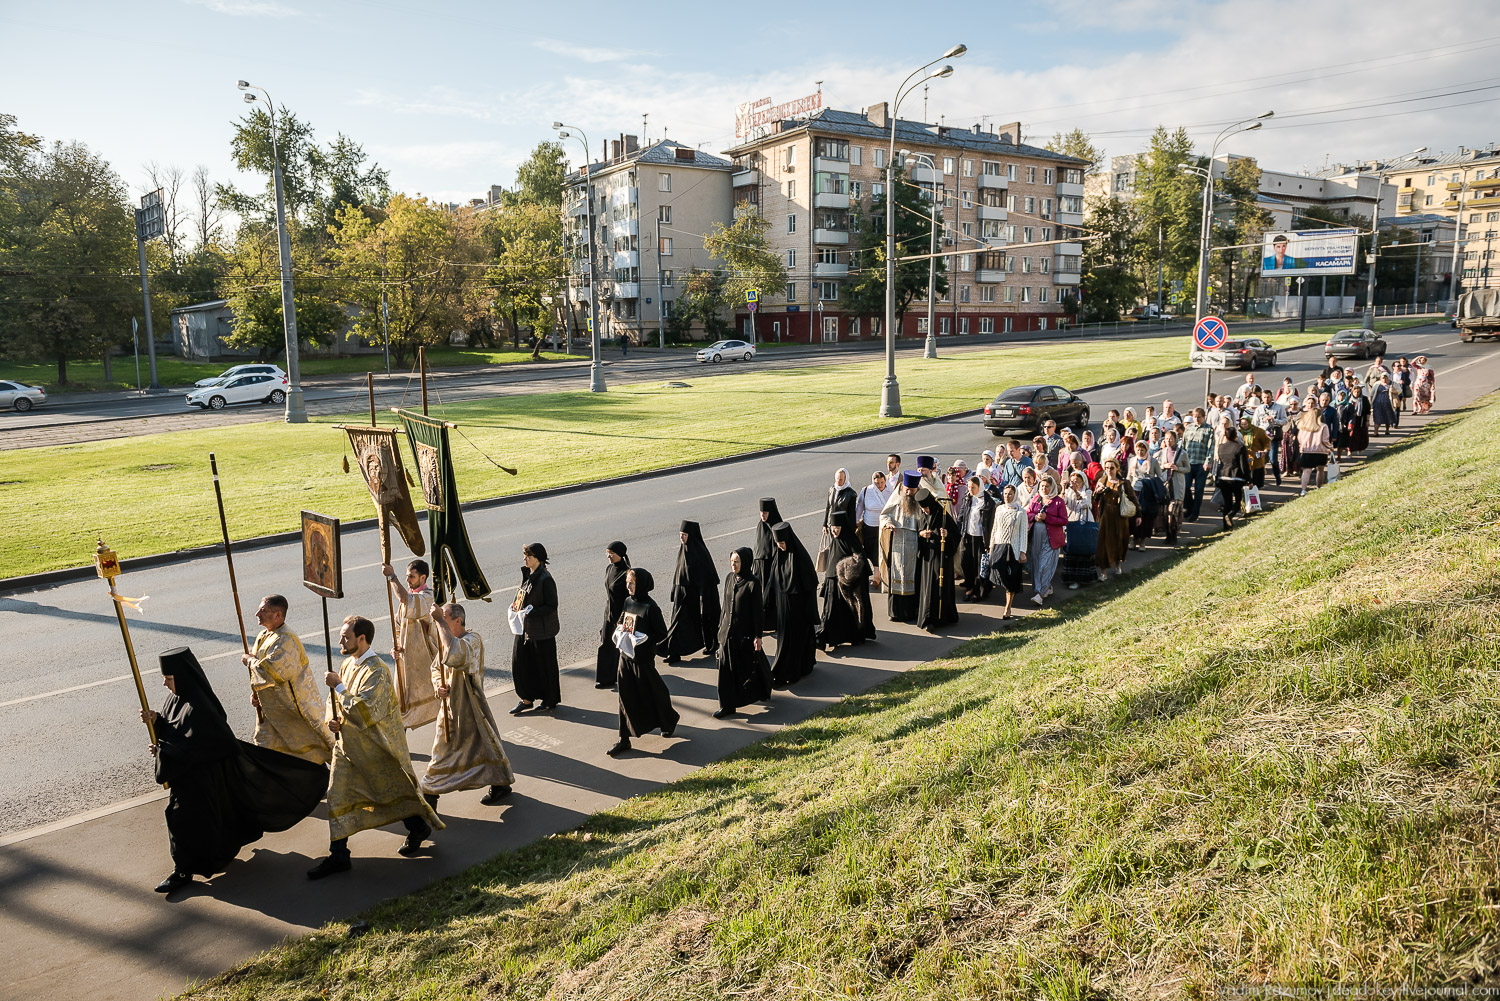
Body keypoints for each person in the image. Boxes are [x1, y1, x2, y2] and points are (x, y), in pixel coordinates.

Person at [142, 647, 328, 895]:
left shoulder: (200, 707)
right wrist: (158, 722)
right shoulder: (177, 699)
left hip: (203, 783)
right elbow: (178, 733)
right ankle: (188, 866)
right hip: (187, 781)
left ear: (182, 677)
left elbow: (201, 746)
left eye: (169, 678)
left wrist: (165, 751)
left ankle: (183, 871)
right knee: (196, 824)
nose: (164, 684)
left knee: (183, 822)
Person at [308, 615, 444, 879]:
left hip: (376, 749)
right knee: (337, 796)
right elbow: (333, 703)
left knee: (389, 792)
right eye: (340, 635)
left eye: (346, 637)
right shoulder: (347, 664)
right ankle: (339, 856)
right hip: (347, 748)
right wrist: (333, 720)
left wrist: (338, 687)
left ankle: (417, 827)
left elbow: (365, 712)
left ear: (362, 639)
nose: (340, 640)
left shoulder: (378, 671)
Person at [419, 602, 514, 811]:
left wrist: (439, 622)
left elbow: (456, 656)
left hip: (470, 706)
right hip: (450, 708)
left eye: (445, 619)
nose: (439, 623)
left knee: (484, 744)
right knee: (442, 751)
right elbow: (436, 667)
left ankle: (499, 783)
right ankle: (429, 797)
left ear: (458, 620)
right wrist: (438, 686)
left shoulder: (473, 640)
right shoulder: (446, 639)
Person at [241, 594, 333, 765]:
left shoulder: (285, 640)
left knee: (305, 750)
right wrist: (256, 694)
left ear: (278, 615)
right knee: (268, 750)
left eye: (263, 611)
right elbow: (259, 674)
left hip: (292, 708)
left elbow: (271, 672)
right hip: (271, 709)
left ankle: (315, 780)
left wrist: (250, 661)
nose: (257, 614)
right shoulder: (264, 635)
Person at [608, 568, 679, 756]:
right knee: (624, 695)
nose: (628, 587)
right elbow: (622, 620)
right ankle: (624, 739)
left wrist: (644, 638)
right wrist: (620, 627)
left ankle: (668, 719)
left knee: (654, 691)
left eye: (631, 583)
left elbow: (662, 634)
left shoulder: (651, 608)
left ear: (641, 584)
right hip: (625, 657)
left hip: (643, 659)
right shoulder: (627, 601)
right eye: (627, 583)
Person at [382, 558, 440, 730]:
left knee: (438, 697)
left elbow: (405, 600)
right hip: (407, 658)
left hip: (426, 659)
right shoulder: (410, 596)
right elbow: (399, 625)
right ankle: (399, 740)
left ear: (423, 578)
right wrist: (397, 647)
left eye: (411, 577)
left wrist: (392, 576)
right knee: (402, 701)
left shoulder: (428, 596)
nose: (407, 580)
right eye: (406, 576)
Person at [714, 549, 772, 718]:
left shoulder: (753, 583)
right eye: (732, 561)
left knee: (750, 666)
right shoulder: (729, 578)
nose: (733, 564)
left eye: (737, 561)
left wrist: (758, 636)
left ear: (745, 562)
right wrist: (720, 627)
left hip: (744, 636)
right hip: (727, 634)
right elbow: (725, 605)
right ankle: (727, 705)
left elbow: (757, 613)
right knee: (725, 671)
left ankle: (764, 687)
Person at [508, 542, 561, 715]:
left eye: (528, 556)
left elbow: (552, 605)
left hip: (542, 631)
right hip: (525, 628)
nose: (525, 558)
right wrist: (516, 607)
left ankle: (549, 699)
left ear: (537, 558)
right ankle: (527, 699)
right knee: (521, 664)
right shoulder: (528, 574)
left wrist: (532, 612)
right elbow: (523, 596)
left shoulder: (545, 579)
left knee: (545, 667)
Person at [769, 521, 819, 684]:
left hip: (799, 611)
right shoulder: (778, 556)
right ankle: (786, 671)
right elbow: (773, 582)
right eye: (777, 544)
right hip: (783, 609)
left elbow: (809, 585)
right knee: (785, 643)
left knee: (796, 642)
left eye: (782, 543)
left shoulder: (800, 558)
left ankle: (792, 673)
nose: (780, 547)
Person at [664, 520, 720, 664]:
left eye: (684, 535)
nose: (682, 538)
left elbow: (705, 578)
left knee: (704, 622)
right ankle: (674, 653)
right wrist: (674, 591)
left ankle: (712, 645)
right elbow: (679, 572)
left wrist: (702, 599)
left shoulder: (699, 553)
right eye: (680, 535)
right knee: (677, 625)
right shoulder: (682, 550)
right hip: (682, 596)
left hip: (695, 597)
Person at [816, 511, 872, 648]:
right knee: (830, 612)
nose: (834, 530)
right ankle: (823, 638)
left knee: (851, 612)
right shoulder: (835, 541)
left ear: (843, 527)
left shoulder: (851, 540)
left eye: (837, 527)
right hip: (833, 583)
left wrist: (847, 573)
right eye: (832, 527)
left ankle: (854, 635)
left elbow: (860, 561)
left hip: (849, 587)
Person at [879, 471, 924, 622]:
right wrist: (888, 523)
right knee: (897, 574)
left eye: (912, 490)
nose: (909, 493)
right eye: (907, 490)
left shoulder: (920, 500)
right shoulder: (896, 497)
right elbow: (884, 515)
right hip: (897, 542)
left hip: (914, 543)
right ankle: (895, 612)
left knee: (913, 576)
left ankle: (911, 612)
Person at [916, 487, 961, 631]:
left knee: (938, 586)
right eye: (922, 509)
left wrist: (947, 535)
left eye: (926, 508)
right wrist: (922, 534)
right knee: (928, 588)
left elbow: (956, 535)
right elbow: (918, 531)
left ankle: (941, 617)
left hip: (941, 559)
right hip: (927, 558)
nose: (925, 511)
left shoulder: (942, 515)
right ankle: (927, 617)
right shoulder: (923, 515)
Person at [1024, 475, 1067, 604]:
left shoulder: (1059, 501)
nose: (1044, 488)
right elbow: (1028, 513)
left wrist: (1047, 518)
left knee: (1045, 565)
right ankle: (1044, 588)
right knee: (1036, 564)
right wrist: (1035, 517)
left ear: (1052, 487)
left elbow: (1064, 521)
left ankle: (1040, 595)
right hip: (1037, 538)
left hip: (1051, 539)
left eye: (1047, 486)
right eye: (1042, 486)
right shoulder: (1036, 499)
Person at [594, 541, 630, 689]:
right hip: (609, 613)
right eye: (607, 553)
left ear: (620, 554)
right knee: (606, 644)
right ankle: (605, 678)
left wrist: (622, 619)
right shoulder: (609, 568)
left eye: (612, 553)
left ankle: (624, 675)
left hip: (621, 615)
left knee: (623, 646)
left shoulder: (627, 573)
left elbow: (629, 599)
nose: (609, 556)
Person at [955, 474, 996, 601]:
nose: (970, 490)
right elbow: (961, 516)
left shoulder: (988, 502)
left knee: (979, 566)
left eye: (973, 487)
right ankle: (970, 587)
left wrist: (990, 542)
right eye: (969, 487)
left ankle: (978, 591)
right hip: (967, 536)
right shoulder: (968, 498)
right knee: (965, 562)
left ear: (980, 487)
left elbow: (991, 523)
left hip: (981, 538)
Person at [1093, 460, 1136, 579]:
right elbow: (1095, 499)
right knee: (1103, 542)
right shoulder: (1102, 481)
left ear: (1117, 468)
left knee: (1120, 539)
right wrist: (1098, 492)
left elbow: (1133, 498)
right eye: (1106, 468)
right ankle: (1103, 572)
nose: (1109, 470)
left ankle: (1118, 564)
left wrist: (1139, 515)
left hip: (1120, 515)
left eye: (1111, 468)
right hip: (1106, 514)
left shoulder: (1124, 483)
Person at [753, 498, 783, 630]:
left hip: (772, 566)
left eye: (765, 513)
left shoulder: (777, 526)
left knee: (772, 596)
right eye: (761, 512)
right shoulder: (761, 525)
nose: (763, 515)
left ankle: (775, 622)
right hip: (760, 566)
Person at [1126, 441, 1162, 550]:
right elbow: (1129, 477)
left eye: (1142, 450)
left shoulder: (1153, 461)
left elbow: (1160, 476)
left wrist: (1150, 481)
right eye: (1138, 449)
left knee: (1146, 518)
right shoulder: (1132, 460)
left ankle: (1142, 541)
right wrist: (1127, 490)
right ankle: (1134, 539)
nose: (1140, 452)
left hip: (1148, 493)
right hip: (1135, 491)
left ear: (1146, 450)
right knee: (1133, 516)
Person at [1180, 408, 1214, 522]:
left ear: (1204, 417)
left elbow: (1211, 447)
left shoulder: (1209, 429)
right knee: (1185, 487)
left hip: (1201, 464)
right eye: (1195, 416)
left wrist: (1208, 461)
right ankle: (1189, 508)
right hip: (1189, 463)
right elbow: (1184, 446)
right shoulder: (1189, 428)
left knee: (1199, 490)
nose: (1197, 419)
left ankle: (1195, 513)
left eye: (1199, 417)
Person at [1214, 425, 1251, 530]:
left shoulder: (1221, 447)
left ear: (1225, 437)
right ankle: (1230, 515)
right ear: (1236, 436)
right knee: (1238, 500)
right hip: (1236, 477)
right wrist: (1249, 479)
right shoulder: (1240, 447)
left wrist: (1217, 477)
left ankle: (1226, 526)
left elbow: (1220, 463)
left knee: (1227, 502)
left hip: (1223, 477)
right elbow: (1244, 465)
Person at [855, 471, 892, 565]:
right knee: (869, 550)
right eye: (877, 483)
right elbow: (860, 506)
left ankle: (878, 575)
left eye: (882, 482)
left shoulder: (890, 492)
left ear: (885, 481)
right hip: (869, 526)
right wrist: (856, 520)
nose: (879, 485)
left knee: (879, 552)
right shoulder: (867, 490)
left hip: (883, 527)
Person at [1296, 401, 1331, 495]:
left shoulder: (1303, 426)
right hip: (1320, 451)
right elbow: (1325, 440)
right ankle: (1318, 487)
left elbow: (1299, 438)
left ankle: (1303, 490)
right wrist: (1330, 447)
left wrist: (1302, 446)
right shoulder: (1323, 426)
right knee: (1320, 470)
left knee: (1307, 471)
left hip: (1306, 450)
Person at [1240, 415, 1271, 491]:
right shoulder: (1239, 432)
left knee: (1256, 480)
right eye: (1242, 424)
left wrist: (1265, 451)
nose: (1244, 426)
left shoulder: (1259, 431)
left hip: (1256, 459)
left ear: (1250, 423)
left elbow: (1267, 442)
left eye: (1245, 424)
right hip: (1244, 459)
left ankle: (1255, 494)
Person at [1345, 384, 1370, 454]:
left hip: (1360, 420)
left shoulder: (1364, 399)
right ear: (1352, 392)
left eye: (1358, 392)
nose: (1356, 393)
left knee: (1360, 435)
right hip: (1351, 420)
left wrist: (1367, 421)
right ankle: (1349, 450)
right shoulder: (1349, 398)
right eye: (1355, 392)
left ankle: (1360, 448)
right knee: (1350, 435)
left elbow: (1368, 411)